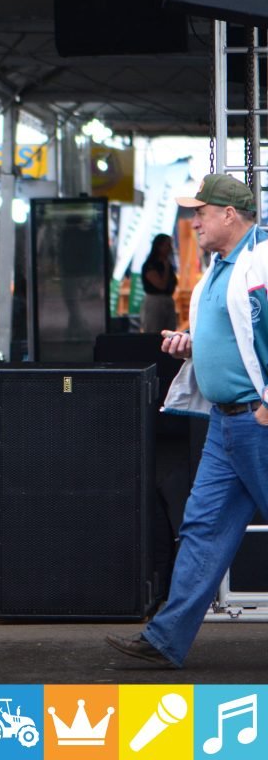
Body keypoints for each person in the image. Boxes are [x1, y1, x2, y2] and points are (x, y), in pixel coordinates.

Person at [107, 174, 267, 668]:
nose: (194, 221)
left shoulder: (261, 262)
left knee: (204, 528)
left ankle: (165, 639)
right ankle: (165, 640)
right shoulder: (223, 266)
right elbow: (237, 336)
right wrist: (192, 345)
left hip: (256, 422)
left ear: (229, 215)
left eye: (201, 212)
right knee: (202, 528)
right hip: (230, 424)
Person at [141, 233, 179, 334]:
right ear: (159, 246)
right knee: (154, 330)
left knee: (170, 331)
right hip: (155, 301)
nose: (170, 248)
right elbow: (161, 285)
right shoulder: (150, 265)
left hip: (168, 299)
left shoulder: (168, 264)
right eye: (167, 245)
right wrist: (165, 268)